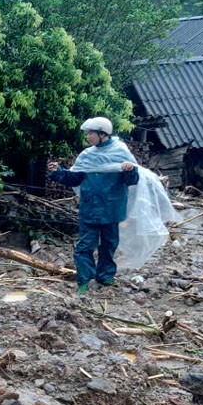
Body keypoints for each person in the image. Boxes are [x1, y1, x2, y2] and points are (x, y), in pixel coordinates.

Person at [47, 117, 138, 296]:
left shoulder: (121, 153)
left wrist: (130, 170)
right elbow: (75, 178)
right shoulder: (87, 155)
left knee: (109, 245)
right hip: (89, 208)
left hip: (111, 209)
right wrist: (57, 172)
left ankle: (105, 277)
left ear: (102, 134)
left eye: (90, 133)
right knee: (84, 246)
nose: (87, 137)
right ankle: (84, 281)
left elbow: (132, 181)